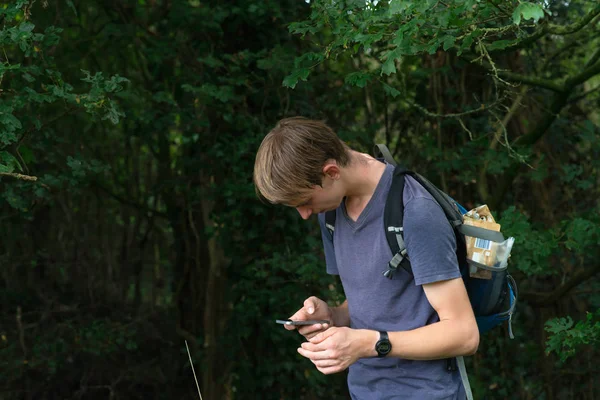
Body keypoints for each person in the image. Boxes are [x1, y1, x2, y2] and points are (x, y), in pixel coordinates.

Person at [253, 117, 479, 399]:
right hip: (364, 391)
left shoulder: (415, 212)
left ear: (331, 172)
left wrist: (372, 343)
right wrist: (334, 316)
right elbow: (377, 300)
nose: (305, 214)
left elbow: (464, 334)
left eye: (304, 202)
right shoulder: (331, 213)